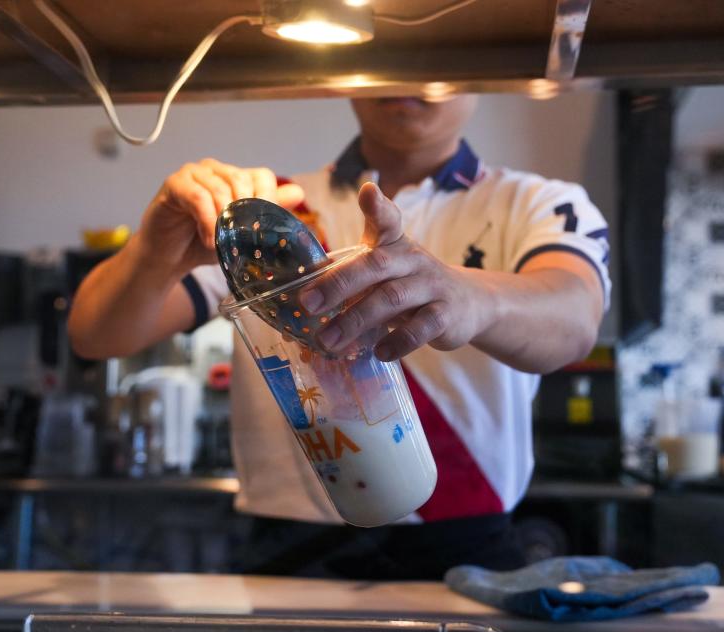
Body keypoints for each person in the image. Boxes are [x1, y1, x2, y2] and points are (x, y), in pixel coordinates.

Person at [69, 95, 610, 579]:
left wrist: (470, 296)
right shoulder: (271, 214)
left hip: (466, 546)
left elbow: (575, 318)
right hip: (287, 548)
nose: (410, 80)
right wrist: (153, 250)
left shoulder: (537, 202)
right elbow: (95, 334)